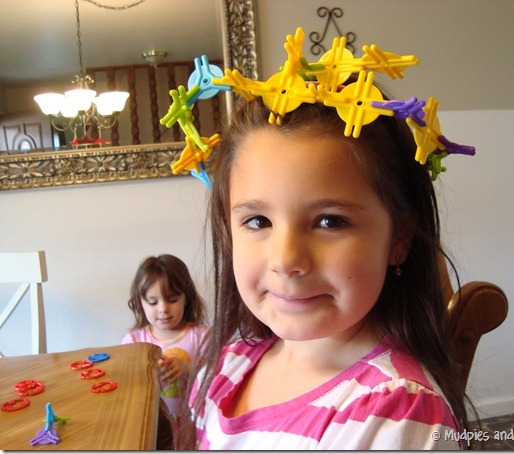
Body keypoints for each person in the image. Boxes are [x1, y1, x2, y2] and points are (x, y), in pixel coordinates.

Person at [168, 29, 476, 450]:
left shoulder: (396, 416)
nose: (286, 259)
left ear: (399, 237)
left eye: (330, 222)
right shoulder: (226, 365)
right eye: (258, 221)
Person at [122, 254, 208, 420]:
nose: (163, 309)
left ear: (186, 298)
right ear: (140, 303)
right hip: (152, 424)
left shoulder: (202, 336)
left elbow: (218, 378)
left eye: (172, 299)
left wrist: (187, 368)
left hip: (195, 421)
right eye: (153, 302)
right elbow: (126, 385)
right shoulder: (134, 342)